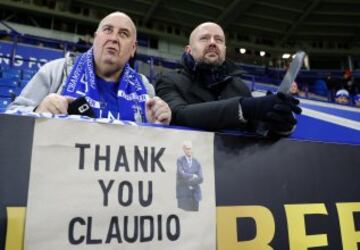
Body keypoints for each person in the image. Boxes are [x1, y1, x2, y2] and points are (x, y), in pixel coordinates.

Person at [7, 12, 171, 125]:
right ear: (95, 38)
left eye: (123, 34)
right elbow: (11, 116)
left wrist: (157, 124)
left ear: (133, 48)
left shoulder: (144, 87)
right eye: (108, 30)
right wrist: (38, 109)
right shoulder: (56, 71)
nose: (113, 38)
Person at [155, 22, 301, 134]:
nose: (212, 42)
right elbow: (179, 115)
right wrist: (243, 108)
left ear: (224, 50)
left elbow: (258, 130)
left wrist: (279, 124)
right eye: (204, 38)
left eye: (219, 40)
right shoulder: (168, 80)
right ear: (188, 50)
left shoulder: (239, 86)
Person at [176, 141, 203, 211]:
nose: (189, 150)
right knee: (186, 218)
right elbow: (181, 174)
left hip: (195, 195)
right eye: (187, 148)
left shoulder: (197, 162)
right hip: (184, 195)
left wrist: (190, 180)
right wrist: (193, 175)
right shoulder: (180, 160)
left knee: (196, 218)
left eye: (190, 148)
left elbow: (201, 178)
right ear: (183, 149)